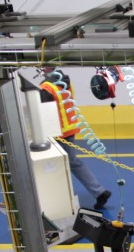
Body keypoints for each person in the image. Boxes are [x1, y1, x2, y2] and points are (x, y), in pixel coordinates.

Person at [40, 67, 112, 210]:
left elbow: (43, 113)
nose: (41, 70)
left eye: (42, 67)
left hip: (56, 133)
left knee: (55, 167)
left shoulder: (46, 87)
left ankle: (64, 199)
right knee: (73, 163)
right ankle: (98, 191)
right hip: (69, 129)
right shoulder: (65, 81)